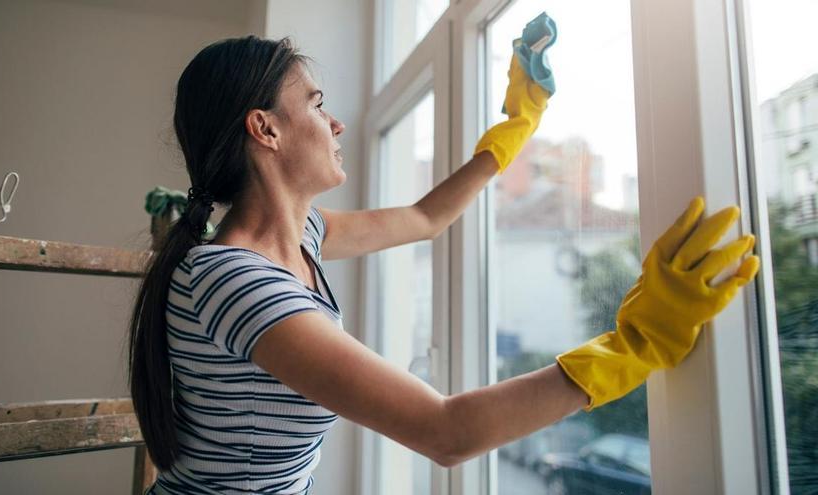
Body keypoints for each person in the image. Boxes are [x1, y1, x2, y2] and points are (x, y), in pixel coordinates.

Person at [128, 36, 760, 495]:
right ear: (265, 129)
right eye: (317, 104)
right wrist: (633, 346)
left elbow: (427, 217)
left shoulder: (304, 238)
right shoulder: (236, 281)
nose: (336, 121)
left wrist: (516, 126)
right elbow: (446, 432)